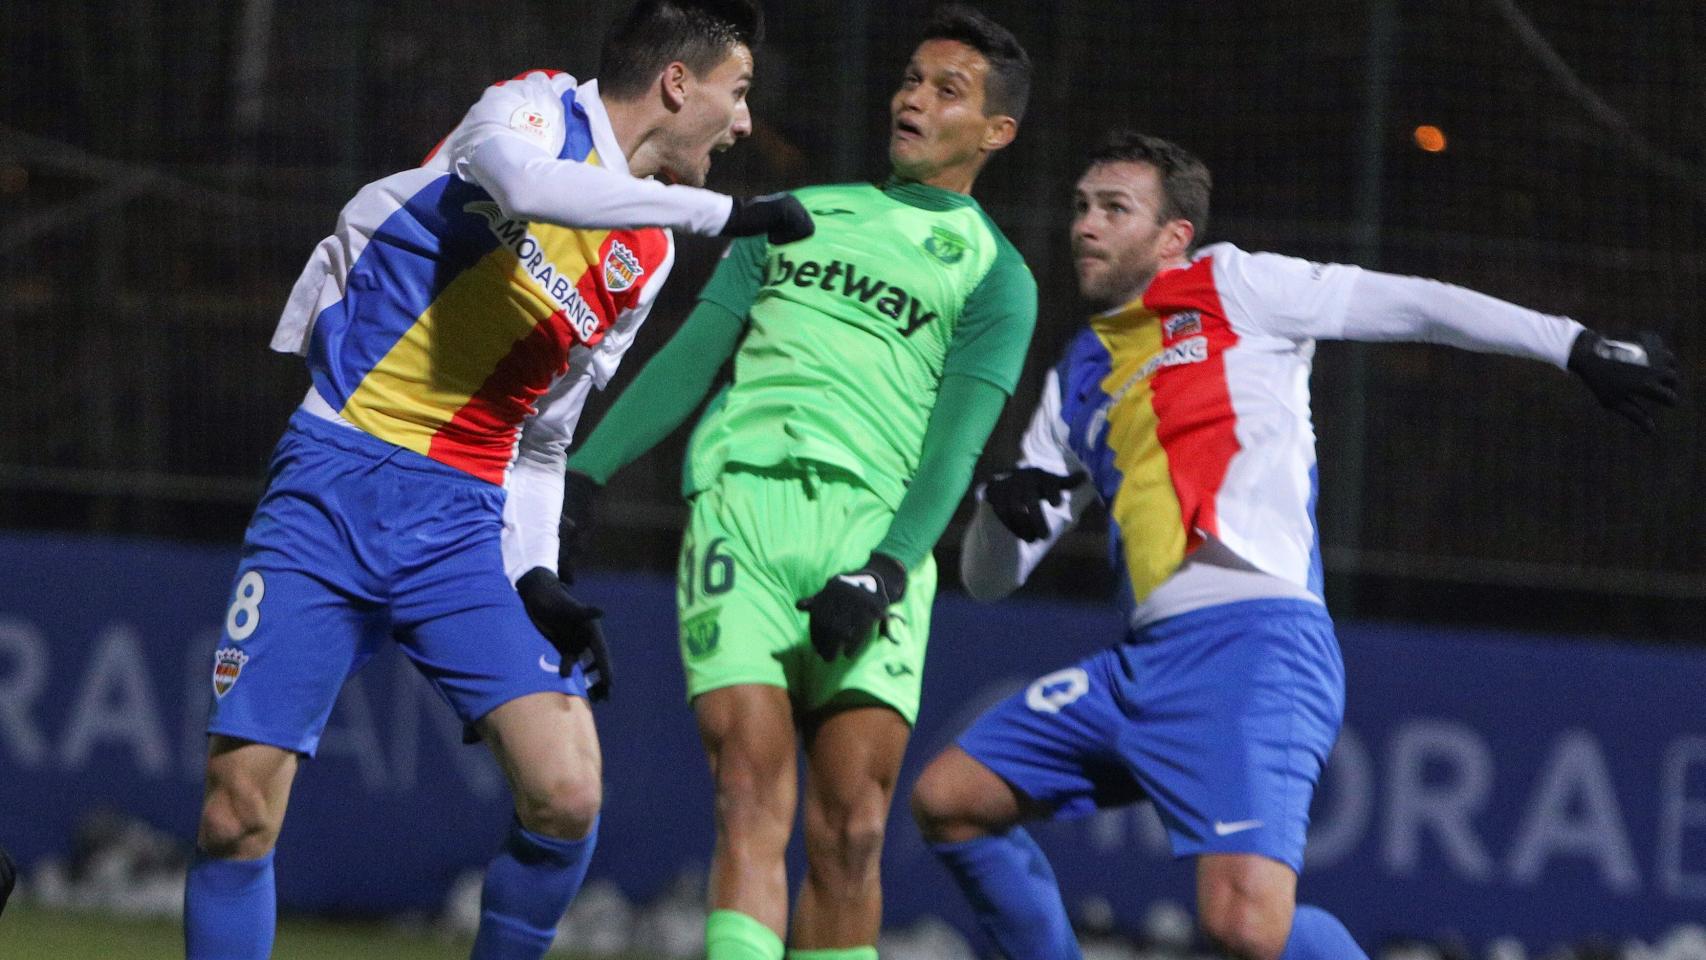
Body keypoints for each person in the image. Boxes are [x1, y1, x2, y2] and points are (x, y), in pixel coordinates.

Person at [909, 130, 1678, 960]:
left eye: (1114, 209)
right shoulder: (1077, 374)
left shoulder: (1237, 283)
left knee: (1244, 927)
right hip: (1142, 667)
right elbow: (991, 582)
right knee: (952, 799)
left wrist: (1570, 343)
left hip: (1256, 646)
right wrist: (997, 511)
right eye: (1082, 207)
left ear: (1174, 236)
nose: (1085, 227)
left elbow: (1416, 303)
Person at [184, 3, 811, 959]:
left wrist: (536, 572)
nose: (742, 126)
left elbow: (545, 439)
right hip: (334, 482)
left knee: (567, 793)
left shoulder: (643, 255)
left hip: (462, 525)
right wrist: (721, 214)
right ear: (678, 84)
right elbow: (526, 185)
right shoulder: (529, 110)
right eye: (739, 94)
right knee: (237, 812)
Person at [557, 8, 1037, 958]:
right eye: (910, 76)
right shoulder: (795, 214)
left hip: (874, 541)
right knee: (749, 786)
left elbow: (955, 448)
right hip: (745, 511)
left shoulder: (998, 277)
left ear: (996, 133)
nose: (913, 96)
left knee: (852, 831)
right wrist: (582, 476)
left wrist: (890, 570)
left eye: (948, 89)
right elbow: (694, 357)